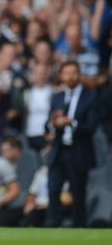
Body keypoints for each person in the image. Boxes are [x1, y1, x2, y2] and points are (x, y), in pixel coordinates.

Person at [45, 60, 101, 228]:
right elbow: (47, 125)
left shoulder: (90, 96)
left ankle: (79, 226)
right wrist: (53, 122)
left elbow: (92, 126)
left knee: (78, 193)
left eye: (73, 72)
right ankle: (53, 224)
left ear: (79, 75)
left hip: (78, 151)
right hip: (59, 150)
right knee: (53, 189)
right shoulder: (57, 97)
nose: (70, 76)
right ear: (61, 76)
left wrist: (72, 123)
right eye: (66, 73)